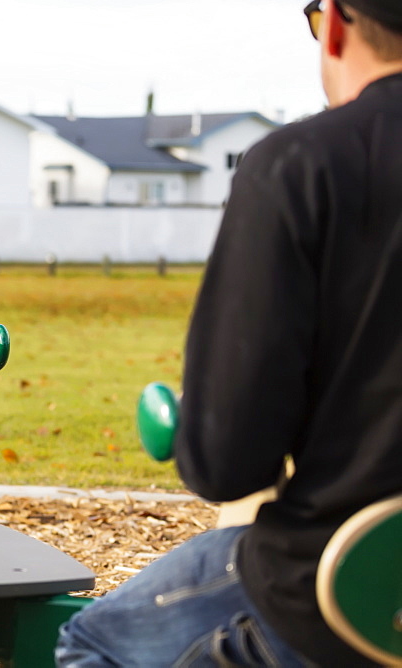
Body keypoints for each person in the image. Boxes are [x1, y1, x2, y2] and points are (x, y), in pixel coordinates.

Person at [56, 1, 402, 665]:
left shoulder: (299, 166)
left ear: (333, 24)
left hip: (341, 589)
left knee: (92, 641)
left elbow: (228, 461)